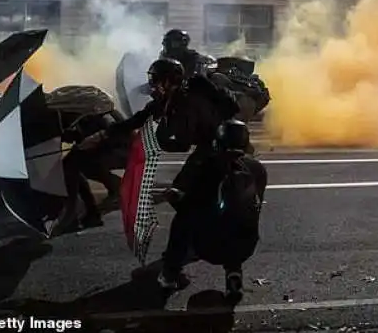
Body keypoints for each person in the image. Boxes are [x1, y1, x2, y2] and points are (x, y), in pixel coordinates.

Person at [77, 57, 241, 288]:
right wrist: (102, 136)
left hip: (218, 150)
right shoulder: (168, 100)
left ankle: (176, 268)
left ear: (170, 81)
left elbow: (182, 142)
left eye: (156, 81)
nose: (152, 86)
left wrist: (153, 140)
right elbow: (137, 119)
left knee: (185, 203)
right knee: (184, 198)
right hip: (207, 148)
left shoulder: (188, 102)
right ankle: (201, 246)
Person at [186, 119, 267, 306]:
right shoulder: (257, 168)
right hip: (247, 244)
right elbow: (257, 204)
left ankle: (169, 274)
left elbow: (190, 203)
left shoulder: (205, 166)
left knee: (183, 220)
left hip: (207, 247)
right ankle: (234, 274)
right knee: (237, 221)